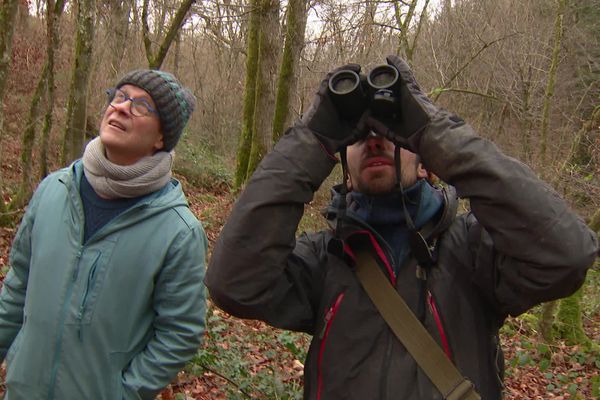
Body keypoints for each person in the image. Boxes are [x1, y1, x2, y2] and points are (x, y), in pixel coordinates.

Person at [205, 56, 598, 399]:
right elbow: (234, 283)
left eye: (391, 138)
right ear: (344, 170)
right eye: (359, 139)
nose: (374, 143)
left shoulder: (472, 250)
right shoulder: (326, 260)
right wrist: (310, 141)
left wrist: (437, 133)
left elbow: (567, 254)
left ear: (427, 163)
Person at [0, 69, 208, 399]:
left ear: (160, 138)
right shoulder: (52, 191)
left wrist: (123, 393)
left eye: (142, 106)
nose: (122, 107)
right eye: (120, 96)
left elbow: (179, 333)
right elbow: (18, 286)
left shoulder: (178, 232)